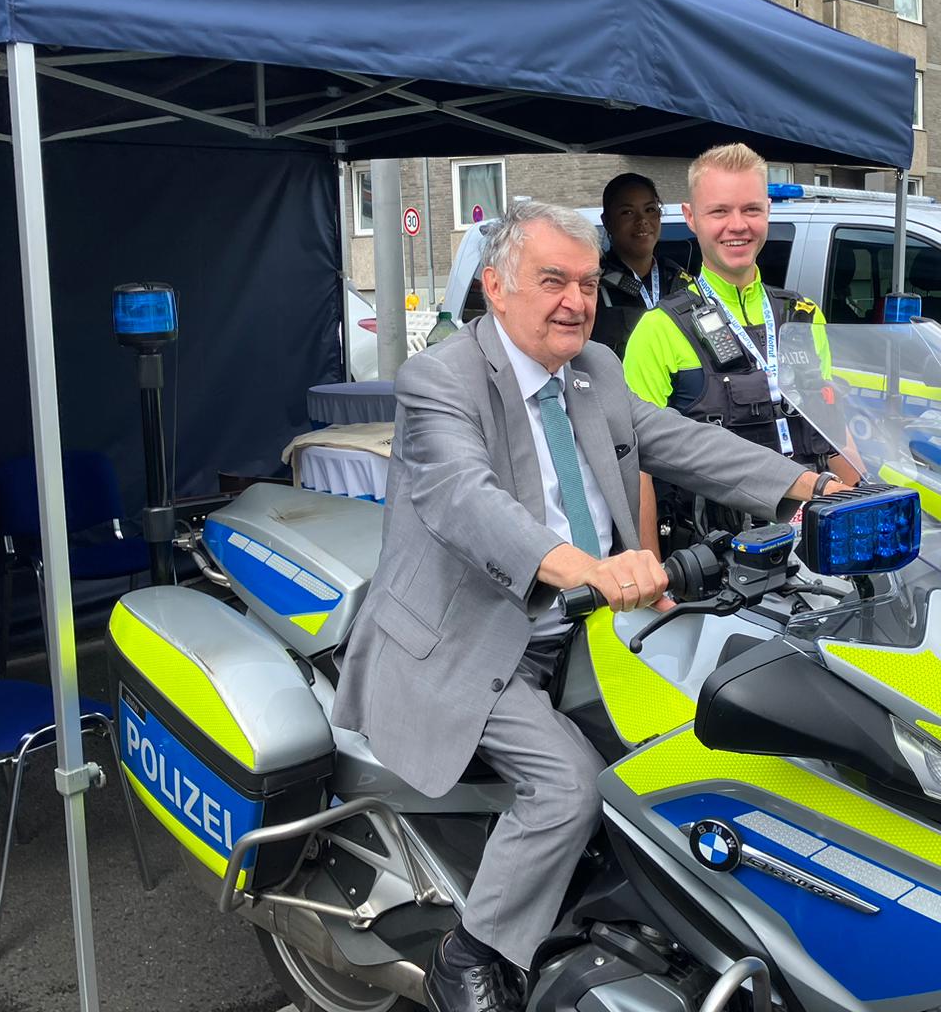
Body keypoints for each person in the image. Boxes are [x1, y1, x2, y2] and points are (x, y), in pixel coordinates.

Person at [331, 201, 836, 1012]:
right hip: (476, 639)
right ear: (496, 288)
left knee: (713, 738)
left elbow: (682, 441)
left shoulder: (594, 371)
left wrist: (811, 490)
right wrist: (583, 570)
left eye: (588, 283)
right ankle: (471, 954)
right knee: (569, 787)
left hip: (590, 632)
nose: (575, 299)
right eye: (551, 281)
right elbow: (465, 497)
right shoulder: (442, 379)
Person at [623, 143, 860, 554]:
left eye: (751, 209)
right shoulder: (658, 329)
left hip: (816, 545)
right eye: (719, 211)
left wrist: (865, 499)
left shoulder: (803, 316)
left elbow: (830, 429)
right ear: (690, 217)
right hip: (718, 559)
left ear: (768, 210)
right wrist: (651, 574)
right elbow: (637, 464)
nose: (738, 225)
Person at [589, 172, 689, 357]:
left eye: (650, 210)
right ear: (607, 222)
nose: (642, 221)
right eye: (627, 212)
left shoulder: (683, 281)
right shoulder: (591, 286)